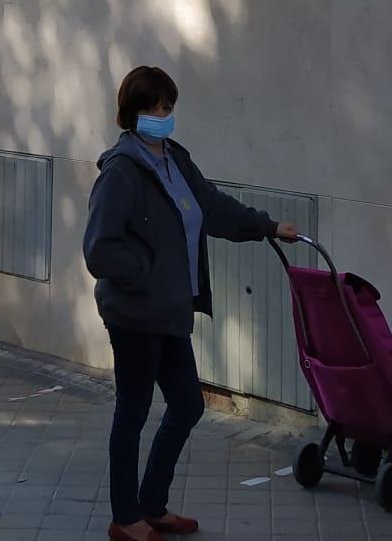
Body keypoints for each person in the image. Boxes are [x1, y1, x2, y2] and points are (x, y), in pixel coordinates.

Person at [84, 65, 299, 541]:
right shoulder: (121, 171)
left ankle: (153, 505)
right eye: (152, 107)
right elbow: (99, 248)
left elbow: (213, 207)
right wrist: (146, 274)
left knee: (186, 406)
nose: (162, 115)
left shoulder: (176, 160)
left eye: (167, 107)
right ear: (131, 113)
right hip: (136, 315)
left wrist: (266, 226)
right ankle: (126, 518)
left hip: (172, 312)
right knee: (133, 413)